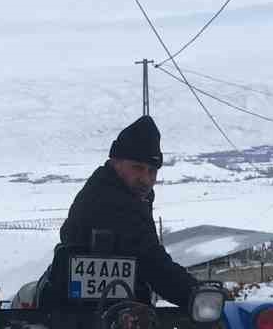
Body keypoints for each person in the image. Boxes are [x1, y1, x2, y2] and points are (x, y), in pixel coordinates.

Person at [42, 115, 200, 310]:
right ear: (116, 162)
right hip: (85, 316)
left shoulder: (119, 190)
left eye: (152, 171)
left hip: (103, 309)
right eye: (138, 168)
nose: (146, 178)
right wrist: (195, 293)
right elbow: (153, 263)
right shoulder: (108, 199)